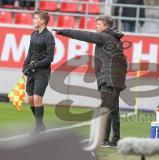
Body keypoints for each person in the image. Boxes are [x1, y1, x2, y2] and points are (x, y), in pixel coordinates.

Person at [54, 15, 128, 147]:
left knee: (104, 110)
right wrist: (120, 78)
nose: (96, 26)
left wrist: (64, 31)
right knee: (113, 110)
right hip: (116, 80)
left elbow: (85, 35)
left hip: (108, 79)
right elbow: (124, 62)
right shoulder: (116, 40)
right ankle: (116, 140)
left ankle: (103, 139)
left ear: (106, 26)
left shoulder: (104, 37)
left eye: (99, 24)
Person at [22, 11, 55, 134]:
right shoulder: (34, 34)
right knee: (29, 100)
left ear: (43, 21)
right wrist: (25, 66)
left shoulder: (49, 37)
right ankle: (41, 125)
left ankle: (38, 128)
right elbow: (30, 53)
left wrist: (35, 64)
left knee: (37, 99)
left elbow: (49, 58)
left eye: (35, 18)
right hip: (31, 70)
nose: (33, 20)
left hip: (43, 72)